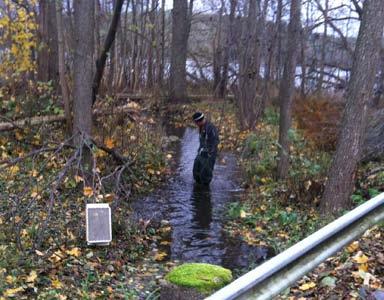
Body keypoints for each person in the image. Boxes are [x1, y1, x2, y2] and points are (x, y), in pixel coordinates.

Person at [192, 112, 219, 185]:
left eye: (196, 123)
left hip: (209, 154)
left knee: (206, 173)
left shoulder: (210, 128)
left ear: (199, 121)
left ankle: (205, 192)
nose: (195, 124)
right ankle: (197, 186)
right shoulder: (201, 127)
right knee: (196, 170)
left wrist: (210, 152)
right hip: (201, 152)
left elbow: (215, 141)